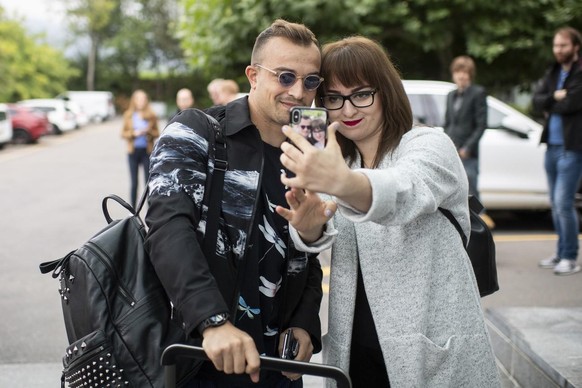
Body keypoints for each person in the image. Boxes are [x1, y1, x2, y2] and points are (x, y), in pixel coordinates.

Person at [278, 36, 500, 387]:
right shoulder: (341, 160)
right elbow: (322, 226)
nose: (348, 110)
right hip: (354, 351)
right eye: (334, 99)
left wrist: (343, 182)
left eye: (362, 94)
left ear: (386, 92)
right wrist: (308, 229)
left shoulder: (428, 144)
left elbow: (403, 190)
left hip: (428, 351)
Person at [144, 19, 336, 387]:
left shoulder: (308, 148)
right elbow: (168, 228)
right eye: (285, 76)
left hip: (278, 367)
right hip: (199, 356)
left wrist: (305, 322)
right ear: (253, 75)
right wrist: (212, 321)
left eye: (311, 81)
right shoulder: (197, 130)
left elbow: (305, 249)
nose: (298, 92)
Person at [533, 27, 582, 276]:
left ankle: (571, 257)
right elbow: (536, 100)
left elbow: (573, 102)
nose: (558, 50)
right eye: (556, 45)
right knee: (554, 203)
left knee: (564, 203)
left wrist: (551, 101)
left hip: (572, 147)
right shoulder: (552, 72)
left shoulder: (579, 72)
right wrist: (555, 97)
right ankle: (561, 252)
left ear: (575, 47)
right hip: (551, 147)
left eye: (563, 45)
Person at [443, 55, 494, 228]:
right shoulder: (450, 95)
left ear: (470, 75)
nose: (461, 76)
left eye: (465, 73)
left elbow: (481, 125)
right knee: (453, 188)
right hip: (452, 150)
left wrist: (467, 148)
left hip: (468, 153)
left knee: (472, 188)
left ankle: (480, 226)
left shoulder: (478, 93)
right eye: (458, 72)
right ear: (453, 74)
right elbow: (448, 123)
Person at [121, 89, 159, 207]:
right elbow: (123, 133)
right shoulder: (128, 115)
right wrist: (134, 134)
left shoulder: (151, 115)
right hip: (133, 152)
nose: (141, 102)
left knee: (148, 182)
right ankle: (132, 210)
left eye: (143, 99)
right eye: (138, 99)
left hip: (147, 152)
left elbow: (157, 133)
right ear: (134, 101)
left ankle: (150, 209)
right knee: (134, 183)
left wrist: (148, 132)